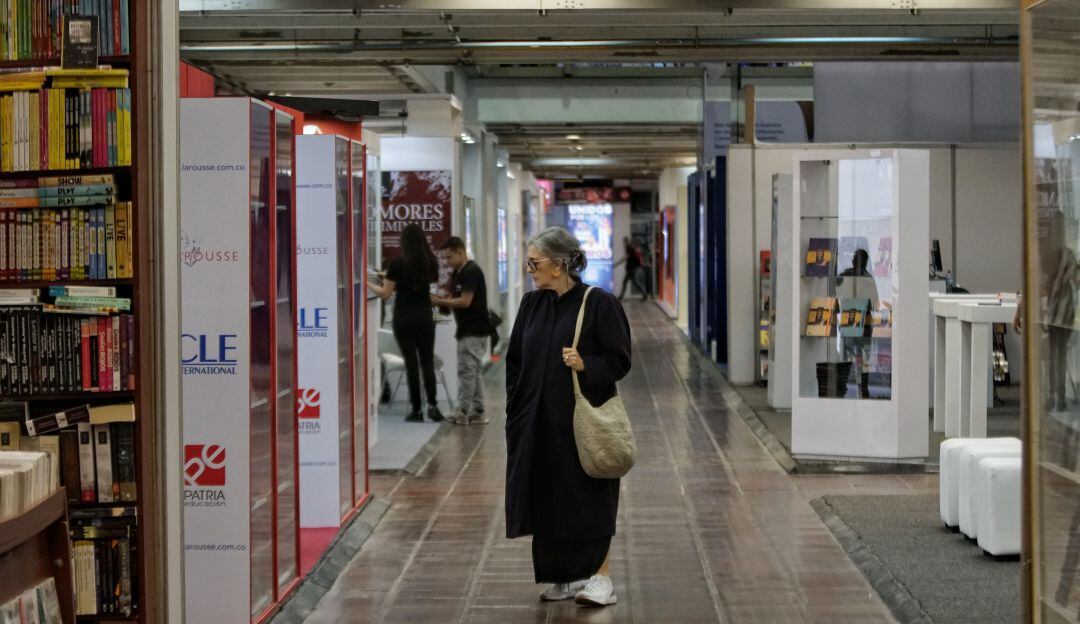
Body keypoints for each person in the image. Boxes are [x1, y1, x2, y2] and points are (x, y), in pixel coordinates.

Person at [505, 226, 632, 608]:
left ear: (559, 264)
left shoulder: (598, 304)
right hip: (537, 425)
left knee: (589, 497)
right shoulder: (532, 305)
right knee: (546, 497)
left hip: (581, 424)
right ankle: (562, 575)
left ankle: (600, 578)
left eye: (535, 262)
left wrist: (585, 364)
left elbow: (620, 360)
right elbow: (515, 361)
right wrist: (515, 407)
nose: (530, 269)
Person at [368, 224, 444, 423]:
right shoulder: (430, 262)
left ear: (404, 241)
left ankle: (416, 410)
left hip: (403, 317)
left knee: (411, 363)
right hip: (425, 316)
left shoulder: (397, 264)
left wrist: (367, 283)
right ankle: (433, 406)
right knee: (427, 362)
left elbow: (385, 293)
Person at [431, 237, 491, 426]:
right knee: (473, 371)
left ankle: (463, 410)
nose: (447, 262)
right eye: (444, 258)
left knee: (466, 371)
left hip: (474, 329)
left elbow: (465, 301)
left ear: (460, 252)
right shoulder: (458, 272)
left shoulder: (471, 271)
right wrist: (443, 301)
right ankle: (478, 411)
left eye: (449, 257)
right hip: (467, 329)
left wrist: (440, 301)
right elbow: (454, 297)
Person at [836, 248, 880, 398]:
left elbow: (875, 303)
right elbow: (875, 303)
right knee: (857, 356)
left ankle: (850, 386)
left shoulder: (847, 276)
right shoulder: (867, 279)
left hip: (854, 323)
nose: (858, 263)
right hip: (859, 323)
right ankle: (860, 387)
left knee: (850, 356)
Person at [615, 236, 648, 301]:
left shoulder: (629, 248)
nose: (624, 243)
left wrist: (616, 264)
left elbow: (625, 258)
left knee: (628, 282)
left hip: (631, 269)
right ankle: (644, 295)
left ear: (626, 241)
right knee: (632, 282)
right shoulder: (631, 247)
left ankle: (621, 297)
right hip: (631, 268)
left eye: (624, 241)